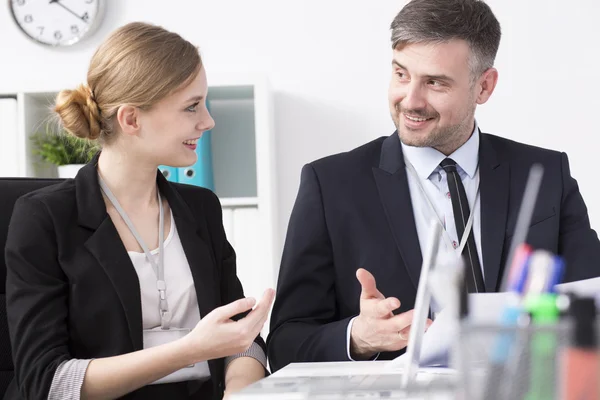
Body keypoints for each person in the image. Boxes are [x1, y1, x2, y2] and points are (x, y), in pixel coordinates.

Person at [267, 0, 600, 372]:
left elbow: (592, 310)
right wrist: (359, 338)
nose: (410, 100)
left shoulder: (547, 173)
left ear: (484, 86)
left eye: (435, 83)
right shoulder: (330, 185)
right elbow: (284, 343)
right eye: (401, 74)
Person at [4, 22, 274, 400]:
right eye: (192, 106)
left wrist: (239, 387)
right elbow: (47, 382)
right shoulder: (44, 219)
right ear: (131, 119)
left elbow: (240, 339)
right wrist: (191, 349)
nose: (208, 121)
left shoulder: (200, 208)